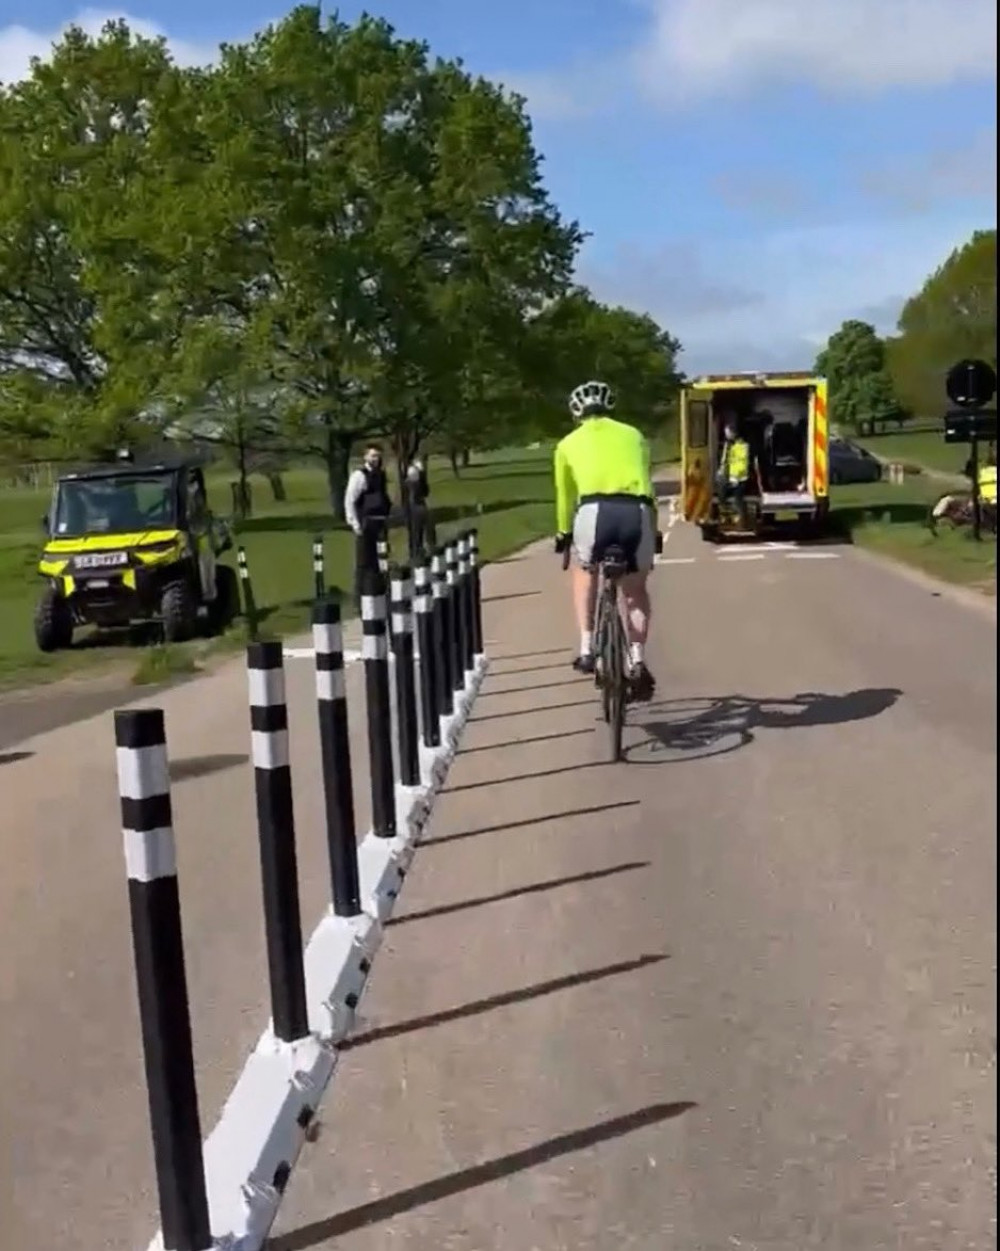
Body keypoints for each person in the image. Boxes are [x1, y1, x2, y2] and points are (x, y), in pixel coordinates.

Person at [553, 379, 657, 701]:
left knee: (585, 573)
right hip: (635, 511)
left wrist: (563, 533)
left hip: (593, 511)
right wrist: (653, 528)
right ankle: (637, 658)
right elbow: (647, 484)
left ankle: (587, 647)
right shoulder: (635, 435)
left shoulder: (567, 444)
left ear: (577, 413)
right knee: (635, 590)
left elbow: (564, 495)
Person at [344, 444, 393, 606]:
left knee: (382, 560)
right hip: (366, 523)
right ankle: (359, 600)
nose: (376, 459)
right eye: (372, 456)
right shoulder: (359, 475)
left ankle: (382, 593)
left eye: (378, 456)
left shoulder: (381, 475)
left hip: (380, 522)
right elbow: (350, 500)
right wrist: (355, 524)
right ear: (365, 457)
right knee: (364, 562)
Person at [716, 420, 756, 526]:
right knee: (721, 492)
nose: (727, 435)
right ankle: (725, 515)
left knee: (738, 498)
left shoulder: (742, 446)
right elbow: (726, 462)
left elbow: (742, 464)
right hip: (732, 478)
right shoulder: (730, 445)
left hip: (740, 479)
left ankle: (741, 518)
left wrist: (736, 479)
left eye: (728, 432)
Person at [404, 454, 434, 556]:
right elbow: (421, 492)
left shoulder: (413, 474)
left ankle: (420, 551)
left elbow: (425, 492)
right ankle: (417, 552)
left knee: (420, 532)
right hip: (416, 506)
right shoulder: (413, 472)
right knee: (417, 533)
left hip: (417, 505)